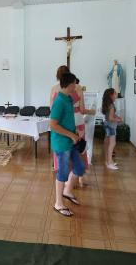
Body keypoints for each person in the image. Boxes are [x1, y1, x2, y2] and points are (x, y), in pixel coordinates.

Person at [50, 72, 84, 217]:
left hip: (70, 141)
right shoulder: (59, 101)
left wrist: (74, 130)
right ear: (69, 84)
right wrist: (71, 135)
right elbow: (53, 125)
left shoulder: (68, 99)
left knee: (79, 167)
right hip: (62, 143)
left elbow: (68, 119)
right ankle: (58, 203)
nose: (75, 87)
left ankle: (67, 191)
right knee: (62, 172)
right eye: (74, 84)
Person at [101, 88, 122, 170]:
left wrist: (116, 117)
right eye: (115, 93)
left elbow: (110, 115)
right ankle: (109, 162)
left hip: (107, 125)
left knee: (107, 143)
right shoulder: (112, 105)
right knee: (112, 144)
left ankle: (108, 161)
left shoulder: (108, 104)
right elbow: (111, 118)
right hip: (111, 126)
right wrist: (119, 119)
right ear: (111, 95)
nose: (116, 95)